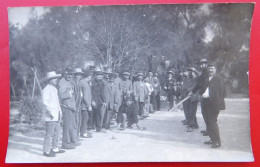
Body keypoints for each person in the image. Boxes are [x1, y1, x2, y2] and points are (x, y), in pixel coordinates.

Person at [202, 64, 225, 148]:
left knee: (212, 122)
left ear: (215, 70)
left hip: (214, 104)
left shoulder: (218, 78)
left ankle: (217, 142)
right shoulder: (206, 78)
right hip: (206, 103)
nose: (210, 70)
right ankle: (212, 139)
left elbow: (222, 92)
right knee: (208, 122)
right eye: (209, 69)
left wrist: (217, 104)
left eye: (212, 69)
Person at [42, 71, 65, 157]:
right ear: (49, 80)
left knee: (57, 132)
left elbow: (57, 103)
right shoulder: (46, 89)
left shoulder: (55, 89)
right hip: (51, 116)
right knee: (49, 133)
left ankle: (55, 147)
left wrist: (60, 112)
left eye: (56, 78)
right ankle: (46, 151)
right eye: (54, 78)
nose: (56, 80)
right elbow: (45, 103)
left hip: (57, 114)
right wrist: (50, 113)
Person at [58, 67, 81, 149]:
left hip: (71, 107)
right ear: (64, 73)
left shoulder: (69, 82)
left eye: (71, 74)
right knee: (67, 126)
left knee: (71, 125)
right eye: (68, 74)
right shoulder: (62, 82)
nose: (70, 76)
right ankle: (65, 143)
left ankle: (72, 141)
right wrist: (70, 93)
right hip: (66, 107)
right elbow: (62, 95)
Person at [192, 58, 209, 136]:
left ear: (206, 64)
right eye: (200, 64)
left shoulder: (207, 73)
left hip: (207, 96)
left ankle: (209, 130)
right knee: (204, 113)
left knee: (207, 114)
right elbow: (199, 84)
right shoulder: (203, 73)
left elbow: (204, 85)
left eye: (203, 64)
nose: (201, 66)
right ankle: (208, 129)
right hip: (203, 96)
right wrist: (192, 91)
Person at [79, 69, 93, 138]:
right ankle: (83, 132)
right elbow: (86, 95)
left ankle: (81, 132)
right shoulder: (85, 84)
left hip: (81, 104)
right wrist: (89, 105)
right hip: (84, 105)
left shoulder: (81, 82)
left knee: (81, 119)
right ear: (88, 77)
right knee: (85, 119)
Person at [73, 68, 84, 140]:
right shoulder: (73, 83)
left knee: (79, 120)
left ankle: (77, 136)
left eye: (80, 75)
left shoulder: (79, 83)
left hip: (79, 104)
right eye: (77, 75)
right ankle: (74, 137)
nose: (79, 76)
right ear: (75, 75)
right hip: (75, 105)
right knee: (75, 121)